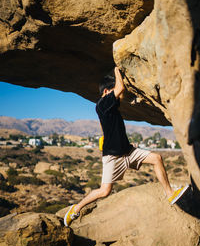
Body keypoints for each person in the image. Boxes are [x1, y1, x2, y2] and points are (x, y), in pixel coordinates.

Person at [64, 67, 189, 227]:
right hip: (113, 156)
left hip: (128, 151)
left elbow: (104, 127)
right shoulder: (102, 103)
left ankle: (170, 194)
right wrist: (117, 70)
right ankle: (76, 208)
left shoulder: (110, 108)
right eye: (116, 93)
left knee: (157, 158)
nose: (121, 96)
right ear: (107, 91)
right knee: (104, 191)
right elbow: (120, 88)